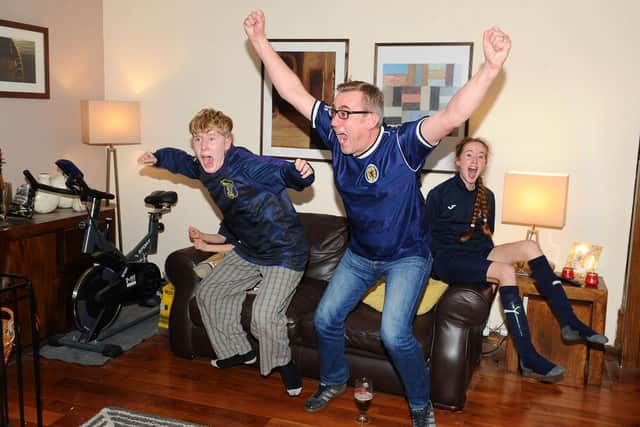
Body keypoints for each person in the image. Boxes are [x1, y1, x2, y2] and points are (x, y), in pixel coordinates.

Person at [243, 9, 511, 427]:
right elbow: (293, 92)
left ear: (371, 119)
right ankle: (334, 380)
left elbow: (453, 115)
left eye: (345, 113)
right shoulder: (336, 135)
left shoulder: (402, 145)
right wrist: (261, 42)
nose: (334, 121)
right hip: (361, 253)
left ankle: (420, 405)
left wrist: (490, 69)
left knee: (393, 333)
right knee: (327, 317)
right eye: (334, 111)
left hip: (408, 255)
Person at [138, 107, 315, 397]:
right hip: (249, 249)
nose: (203, 146)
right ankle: (240, 352)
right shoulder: (200, 164)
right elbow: (180, 161)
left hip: (285, 252)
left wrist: (299, 175)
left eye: (211, 138)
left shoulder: (244, 165)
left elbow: (275, 169)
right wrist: (159, 157)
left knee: (263, 314)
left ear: (227, 142)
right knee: (209, 293)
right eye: (198, 139)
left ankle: (286, 364)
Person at [425, 137, 608, 384]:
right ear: (458, 161)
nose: (474, 160)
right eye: (469, 154)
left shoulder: (487, 196)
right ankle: (528, 355)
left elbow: (485, 240)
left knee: (530, 246)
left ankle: (569, 321)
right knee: (506, 272)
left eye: (481, 156)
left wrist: (486, 274)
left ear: (485, 164)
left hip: (477, 254)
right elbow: (423, 238)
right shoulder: (439, 194)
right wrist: (491, 274)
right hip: (447, 259)